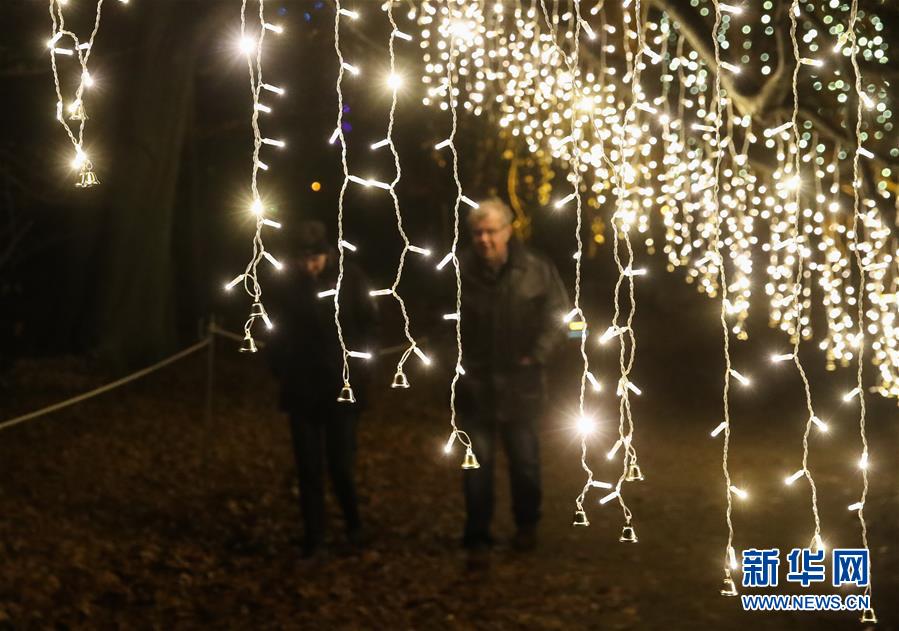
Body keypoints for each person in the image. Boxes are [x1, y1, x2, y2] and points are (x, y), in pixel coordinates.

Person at [456, 198, 569, 560]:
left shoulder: (535, 268)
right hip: (476, 387)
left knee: (525, 464)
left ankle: (526, 526)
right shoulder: (461, 272)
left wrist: (536, 354)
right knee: (477, 468)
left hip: (521, 386)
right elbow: (442, 321)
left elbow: (558, 314)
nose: (484, 239)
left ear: (508, 231)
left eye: (491, 231)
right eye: (478, 233)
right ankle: (477, 535)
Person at [265, 220, 378, 558]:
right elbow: (275, 328)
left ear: (327, 254)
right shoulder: (288, 285)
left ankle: (353, 522)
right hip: (301, 388)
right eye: (302, 259)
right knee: (308, 467)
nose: (308, 265)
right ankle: (314, 536)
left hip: (342, 387)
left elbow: (369, 324)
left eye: (314, 258)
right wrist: (280, 365)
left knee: (340, 464)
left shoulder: (351, 278)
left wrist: (359, 371)